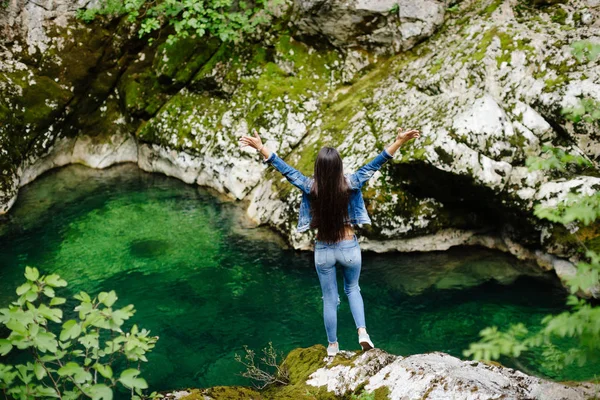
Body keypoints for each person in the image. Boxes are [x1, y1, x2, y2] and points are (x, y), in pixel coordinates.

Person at [239, 127, 421, 357]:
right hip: (349, 248)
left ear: (318, 168)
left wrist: (261, 147)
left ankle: (333, 346)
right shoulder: (352, 182)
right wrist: (399, 142)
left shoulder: (309, 186)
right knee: (353, 289)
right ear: (339, 167)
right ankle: (363, 333)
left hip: (323, 250)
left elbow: (285, 169)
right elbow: (378, 162)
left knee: (329, 299)